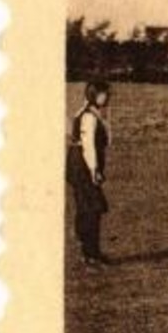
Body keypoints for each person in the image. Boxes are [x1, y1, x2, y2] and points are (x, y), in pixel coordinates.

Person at [66, 80, 112, 267]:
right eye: (103, 93)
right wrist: (94, 170)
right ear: (94, 94)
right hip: (83, 166)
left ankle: (92, 252)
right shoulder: (89, 117)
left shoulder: (88, 113)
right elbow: (88, 146)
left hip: (80, 164)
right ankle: (89, 254)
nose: (107, 96)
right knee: (92, 207)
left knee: (89, 207)